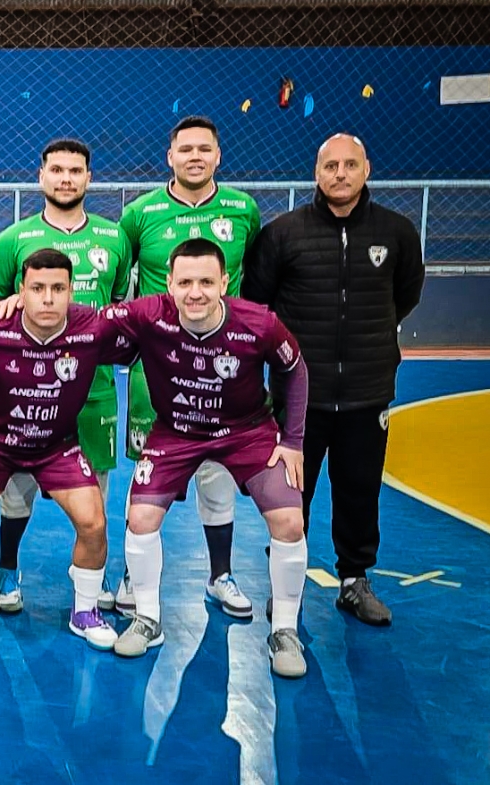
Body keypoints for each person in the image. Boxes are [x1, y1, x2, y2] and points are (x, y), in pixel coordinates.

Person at [104, 239, 310, 679]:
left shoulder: (259, 323)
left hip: (247, 432)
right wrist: (21, 304)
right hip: (176, 431)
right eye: (184, 283)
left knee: (290, 522)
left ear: (224, 283)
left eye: (205, 282)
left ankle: (285, 631)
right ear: (168, 284)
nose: (194, 292)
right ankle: (147, 617)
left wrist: (292, 440)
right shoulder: (148, 314)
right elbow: (85, 321)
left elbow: (294, 368)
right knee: (140, 517)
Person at [244, 133, 425, 625]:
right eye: (330, 166)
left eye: (349, 165)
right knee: (290, 495)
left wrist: (367, 341)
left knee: (359, 489)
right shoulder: (283, 234)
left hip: (368, 391)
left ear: (366, 169)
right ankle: (287, 583)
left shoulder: (396, 232)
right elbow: (258, 304)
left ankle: (354, 580)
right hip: (298, 397)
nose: (340, 174)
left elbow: (406, 294)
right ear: (317, 173)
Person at [0, 249, 134, 652]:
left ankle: (85, 611)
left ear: (72, 291)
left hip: (57, 446)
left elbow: (149, 332)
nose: (48, 298)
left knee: (94, 523)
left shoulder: (93, 328)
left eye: (58, 288)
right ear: (20, 291)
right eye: (37, 288)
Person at [116, 116, 263, 619]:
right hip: (158, 373)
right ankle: (133, 574)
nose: (195, 157)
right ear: (170, 157)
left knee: (217, 475)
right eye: (186, 149)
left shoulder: (243, 210)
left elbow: (251, 284)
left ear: (218, 156)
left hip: (223, 372)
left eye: (204, 149)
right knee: (146, 476)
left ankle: (221, 575)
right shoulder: (140, 214)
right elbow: (122, 283)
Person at [0, 139, 132, 613]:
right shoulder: (13, 239)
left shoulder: (114, 237)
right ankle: (7, 569)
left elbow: (119, 306)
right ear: (41, 176)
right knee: (16, 493)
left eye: (75, 170)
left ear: (89, 177)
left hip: (94, 391)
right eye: (57, 170)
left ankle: (92, 578)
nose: (66, 178)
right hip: (25, 393)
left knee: (95, 494)